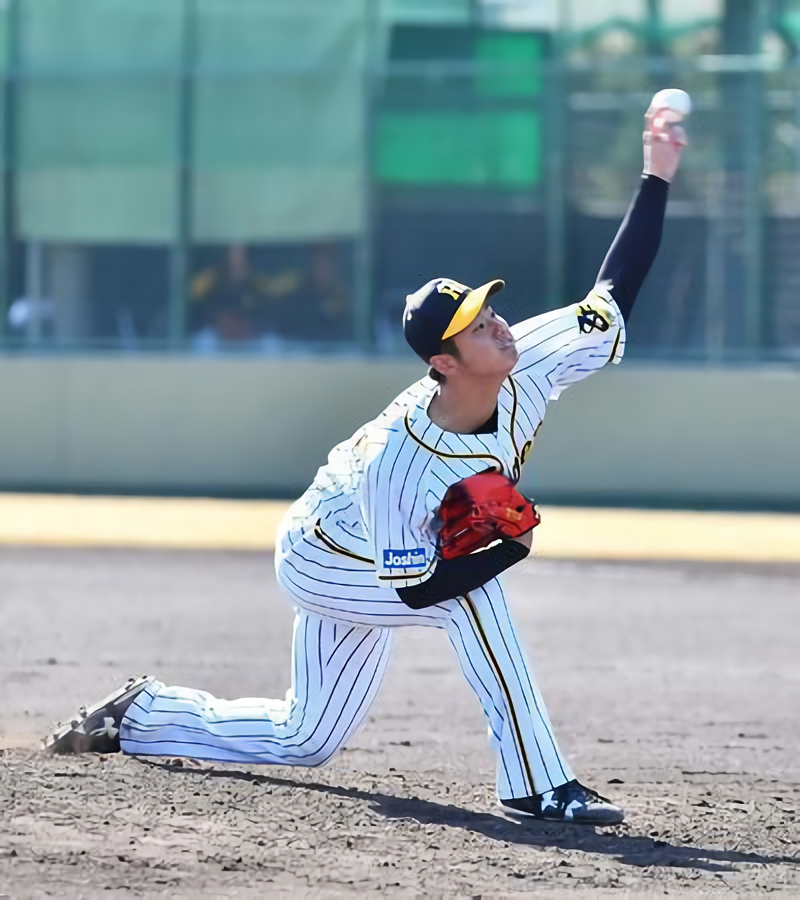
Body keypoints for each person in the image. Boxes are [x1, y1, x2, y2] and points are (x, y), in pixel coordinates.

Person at [44, 100, 686, 825]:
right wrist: (511, 549)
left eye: (491, 313)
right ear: (445, 363)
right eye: (478, 328)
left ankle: (142, 715)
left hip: (377, 550)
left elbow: (612, 294)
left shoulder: (528, 356)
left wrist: (656, 174)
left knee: (306, 736)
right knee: (471, 599)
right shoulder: (399, 461)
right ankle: (536, 782)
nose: (500, 328)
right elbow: (416, 589)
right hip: (325, 554)